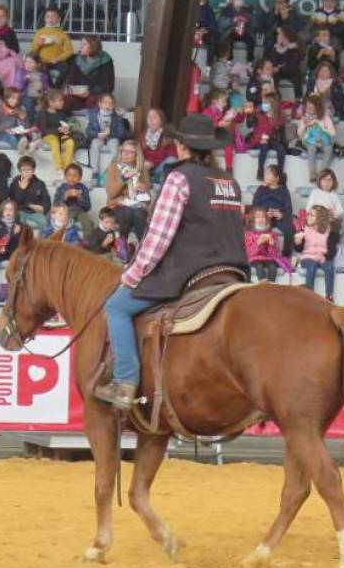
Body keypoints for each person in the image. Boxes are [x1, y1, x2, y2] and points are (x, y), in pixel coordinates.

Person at [98, 114, 247, 410]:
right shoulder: (230, 182)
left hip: (189, 271)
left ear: (181, 146)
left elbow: (158, 237)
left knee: (116, 307)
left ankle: (125, 383)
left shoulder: (179, 178)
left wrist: (132, 274)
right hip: (234, 272)